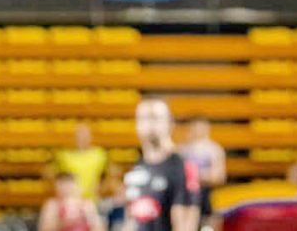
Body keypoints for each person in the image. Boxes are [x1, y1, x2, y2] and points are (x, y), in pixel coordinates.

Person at [123, 99, 199, 231]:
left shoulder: (180, 166)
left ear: (170, 123)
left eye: (155, 117)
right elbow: (132, 219)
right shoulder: (137, 167)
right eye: (144, 118)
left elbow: (185, 224)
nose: (150, 124)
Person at [182, 118, 227, 226]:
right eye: (195, 127)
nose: (198, 130)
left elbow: (218, 176)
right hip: (186, 198)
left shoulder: (214, 149)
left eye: (201, 127)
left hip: (206, 198)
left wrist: (194, 175)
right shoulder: (183, 149)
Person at [54, 122, 109, 204]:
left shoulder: (100, 154)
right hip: (70, 202)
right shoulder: (63, 155)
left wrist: (101, 187)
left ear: (90, 137)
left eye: (84, 135)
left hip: (92, 201)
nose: (81, 138)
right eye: (78, 135)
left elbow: (110, 175)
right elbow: (53, 175)